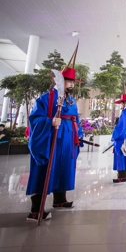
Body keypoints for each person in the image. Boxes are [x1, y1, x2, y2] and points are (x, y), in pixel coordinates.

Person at [26, 44, 84, 221]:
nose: (71, 84)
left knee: (64, 166)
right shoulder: (47, 98)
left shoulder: (71, 100)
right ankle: (36, 210)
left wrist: (78, 133)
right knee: (45, 169)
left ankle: (60, 199)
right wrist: (49, 121)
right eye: (68, 81)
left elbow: (75, 119)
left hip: (67, 139)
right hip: (51, 138)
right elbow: (35, 118)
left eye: (72, 82)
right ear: (59, 81)